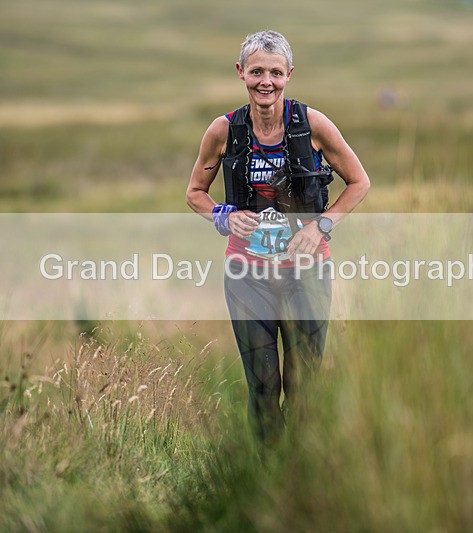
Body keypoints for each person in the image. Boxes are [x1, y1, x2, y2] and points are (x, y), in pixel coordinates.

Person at [186, 30, 370, 443]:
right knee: (263, 386)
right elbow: (194, 193)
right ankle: (267, 470)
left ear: (289, 74)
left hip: (307, 273)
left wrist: (321, 225)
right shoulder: (224, 131)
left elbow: (359, 182)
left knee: (304, 387)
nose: (265, 82)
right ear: (241, 72)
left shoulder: (313, 125)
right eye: (256, 72)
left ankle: (298, 472)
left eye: (274, 72)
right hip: (247, 276)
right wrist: (222, 215)